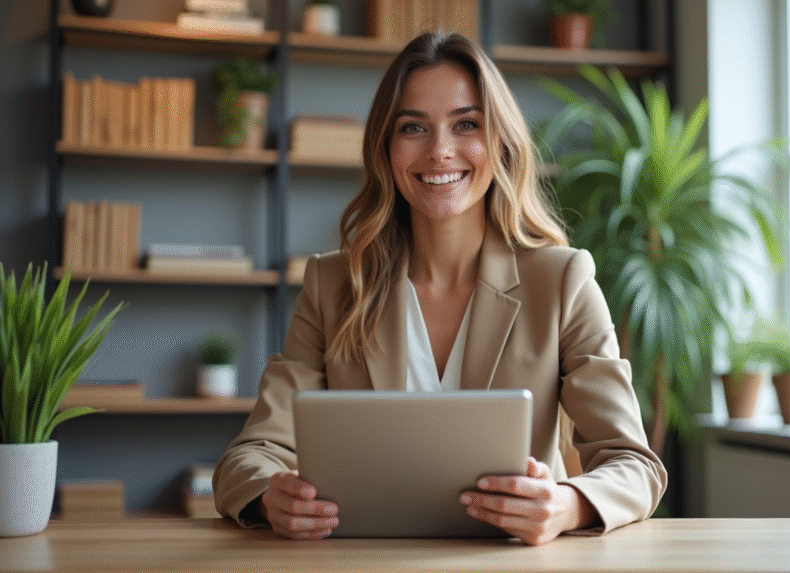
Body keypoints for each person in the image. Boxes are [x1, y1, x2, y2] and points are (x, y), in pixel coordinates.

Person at [213, 30, 667, 546]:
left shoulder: (562, 281)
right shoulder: (335, 284)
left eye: (466, 124)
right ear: (386, 149)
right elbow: (246, 458)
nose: (440, 151)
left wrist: (569, 504)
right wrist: (270, 496)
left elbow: (633, 463)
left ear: (499, 142)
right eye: (413, 128)